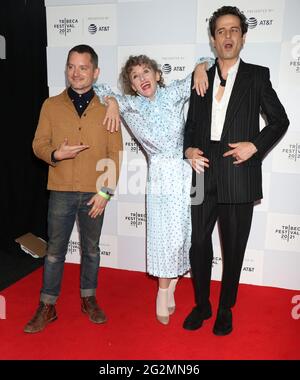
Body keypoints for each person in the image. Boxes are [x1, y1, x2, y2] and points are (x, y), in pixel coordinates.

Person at [183, 6, 289, 335]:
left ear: (242, 38)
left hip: (238, 169)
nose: (227, 36)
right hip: (202, 169)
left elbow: (280, 120)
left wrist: (254, 146)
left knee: (234, 247)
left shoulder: (257, 76)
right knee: (198, 241)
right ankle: (202, 304)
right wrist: (187, 149)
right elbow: (191, 124)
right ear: (213, 41)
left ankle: (226, 307)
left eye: (233, 30)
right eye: (220, 31)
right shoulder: (200, 75)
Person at [94, 55, 213, 325]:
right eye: (135, 76)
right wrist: (112, 102)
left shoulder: (173, 94)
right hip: (159, 176)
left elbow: (207, 61)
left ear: (157, 75)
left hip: (188, 171)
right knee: (164, 238)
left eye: (146, 72)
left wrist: (200, 66)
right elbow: (100, 89)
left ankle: (170, 288)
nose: (142, 78)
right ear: (132, 85)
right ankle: (162, 292)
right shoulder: (131, 106)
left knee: (188, 236)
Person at [24, 44, 123, 333]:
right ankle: (47, 305)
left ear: (95, 72)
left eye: (83, 67)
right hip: (61, 190)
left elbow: (115, 154)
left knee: (91, 250)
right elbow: (38, 144)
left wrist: (105, 192)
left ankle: (89, 298)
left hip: (95, 194)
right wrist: (56, 154)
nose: (76, 73)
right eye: (71, 66)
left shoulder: (108, 108)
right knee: (55, 251)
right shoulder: (51, 105)